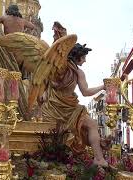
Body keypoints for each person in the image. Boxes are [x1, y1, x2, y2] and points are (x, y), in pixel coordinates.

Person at [41, 27, 108, 166]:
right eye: (83, 58)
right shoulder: (78, 72)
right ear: (77, 56)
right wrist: (103, 87)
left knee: (58, 133)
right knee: (92, 124)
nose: (84, 61)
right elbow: (86, 92)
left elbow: (46, 80)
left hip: (52, 106)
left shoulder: (58, 67)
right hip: (68, 108)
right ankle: (99, 159)